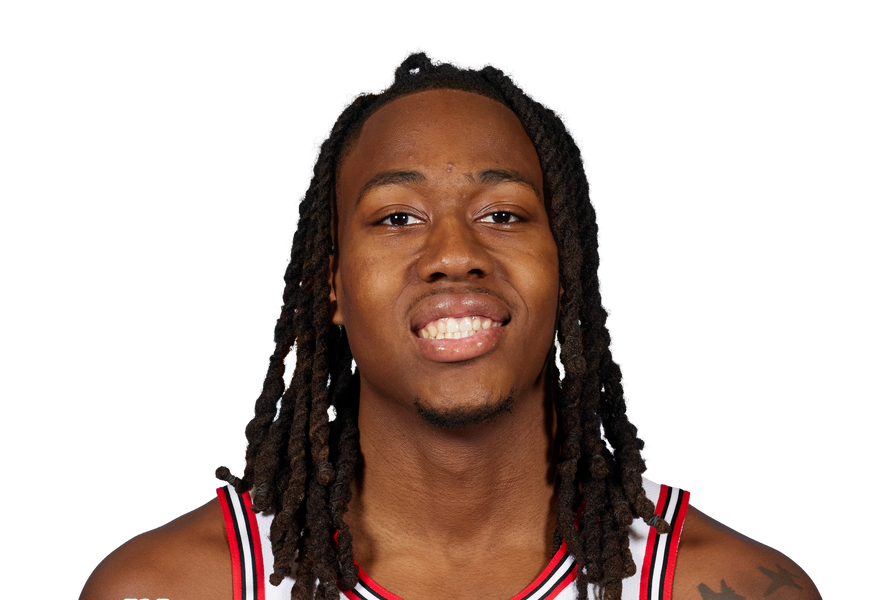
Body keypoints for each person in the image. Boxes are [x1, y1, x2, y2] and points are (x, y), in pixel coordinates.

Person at [79, 49, 822, 600]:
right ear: (330, 284)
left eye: (503, 214)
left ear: (566, 269)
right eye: (397, 218)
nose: (455, 255)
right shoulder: (168, 589)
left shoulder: (727, 586)